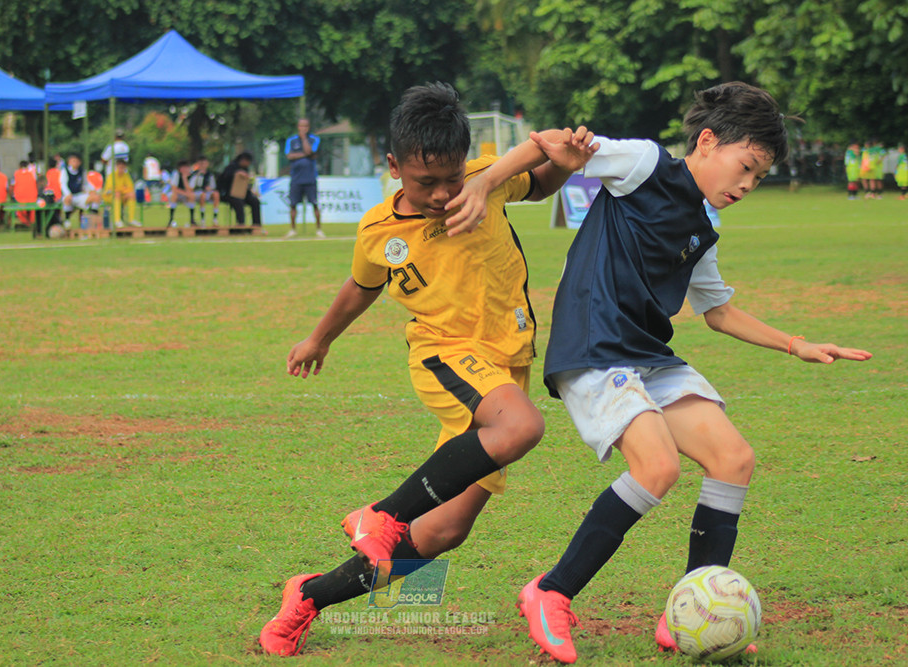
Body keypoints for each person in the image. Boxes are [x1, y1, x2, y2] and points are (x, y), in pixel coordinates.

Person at [448, 81, 874, 664]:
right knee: (658, 466)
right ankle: (550, 591)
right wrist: (482, 182)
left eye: (758, 177)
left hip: (648, 354)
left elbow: (717, 311)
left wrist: (796, 344)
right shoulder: (646, 164)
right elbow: (548, 143)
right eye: (745, 167)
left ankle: (690, 608)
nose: (747, 185)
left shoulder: (705, 229)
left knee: (733, 458)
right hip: (595, 346)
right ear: (706, 141)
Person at [258, 82, 599, 657]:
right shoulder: (378, 232)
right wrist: (318, 338)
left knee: (443, 531)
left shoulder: (480, 182)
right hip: (446, 353)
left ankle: (308, 598)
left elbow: (542, 167)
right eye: (424, 183)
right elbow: (360, 288)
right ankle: (381, 513)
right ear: (392, 166)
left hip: (505, 362)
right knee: (521, 429)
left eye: (452, 178)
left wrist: (552, 167)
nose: (443, 194)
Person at [284, 118, 324, 239]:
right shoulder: (291, 140)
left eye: (305, 126)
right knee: (293, 205)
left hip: (310, 178)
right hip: (296, 178)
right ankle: (292, 229)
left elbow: (310, 151)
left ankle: (318, 229)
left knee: (314, 204)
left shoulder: (314, 139)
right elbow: (289, 156)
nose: (303, 129)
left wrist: (304, 139)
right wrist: (305, 155)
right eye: (301, 126)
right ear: (298, 127)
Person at [218, 151, 262, 231]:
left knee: (255, 201)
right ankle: (241, 224)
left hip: (243, 193)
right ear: (243, 160)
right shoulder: (230, 167)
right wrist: (237, 173)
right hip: (229, 194)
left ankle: (256, 224)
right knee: (238, 202)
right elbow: (224, 179)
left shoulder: (246, 169)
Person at [59, 153, 102, 233]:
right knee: (67, 199)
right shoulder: (65, 171)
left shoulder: (82, 171)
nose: (74, 163)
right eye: (72, 161)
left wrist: (92, 190)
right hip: (70, 196)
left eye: (76, 161)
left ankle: (93, 220)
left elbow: (86, 183)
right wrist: (68, 194)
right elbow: (63, 184)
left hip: (79, 195)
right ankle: (67, 221)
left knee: (96, 198)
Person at [102, 158, 139, 227]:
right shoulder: (111, 176)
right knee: (117, 194)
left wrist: (122, 190)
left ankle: (131, 219)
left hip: (121, 196)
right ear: (116, 167)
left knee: (132, 195)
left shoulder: (126, 175)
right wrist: (123, 189)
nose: (121, 169)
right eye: (120, 167)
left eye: (123, 167)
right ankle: (117, 220)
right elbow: (112, 189)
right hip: (109, 196)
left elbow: (130, 188)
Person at [189, 155, 220, 226]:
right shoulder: (195, 174)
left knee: (216, 194)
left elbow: (213, 186)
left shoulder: (210, 175)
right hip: (198, 193)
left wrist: (210, 188)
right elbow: (191, 186)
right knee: (202, 195)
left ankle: (215, 219)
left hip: (207, 192)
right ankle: (202, 219)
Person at [167, 159, 196, 227]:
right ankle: (171, 219)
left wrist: (184, 178)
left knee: (192, 196)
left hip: (186, 194)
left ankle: (192, 220)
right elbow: (174, 188)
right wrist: (185, 194)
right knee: (173, 196)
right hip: (178, 194)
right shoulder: (176, 174)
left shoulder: (192, 176)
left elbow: (190, 189)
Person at [12, 160, 39, 226]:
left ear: (19, 166)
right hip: (32, 198)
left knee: (20, 210)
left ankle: (26, 223)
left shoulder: (16, 174)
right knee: (32, 211)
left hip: (20, 199)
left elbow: (12, 185)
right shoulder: (33, 173)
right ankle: (32, 223)